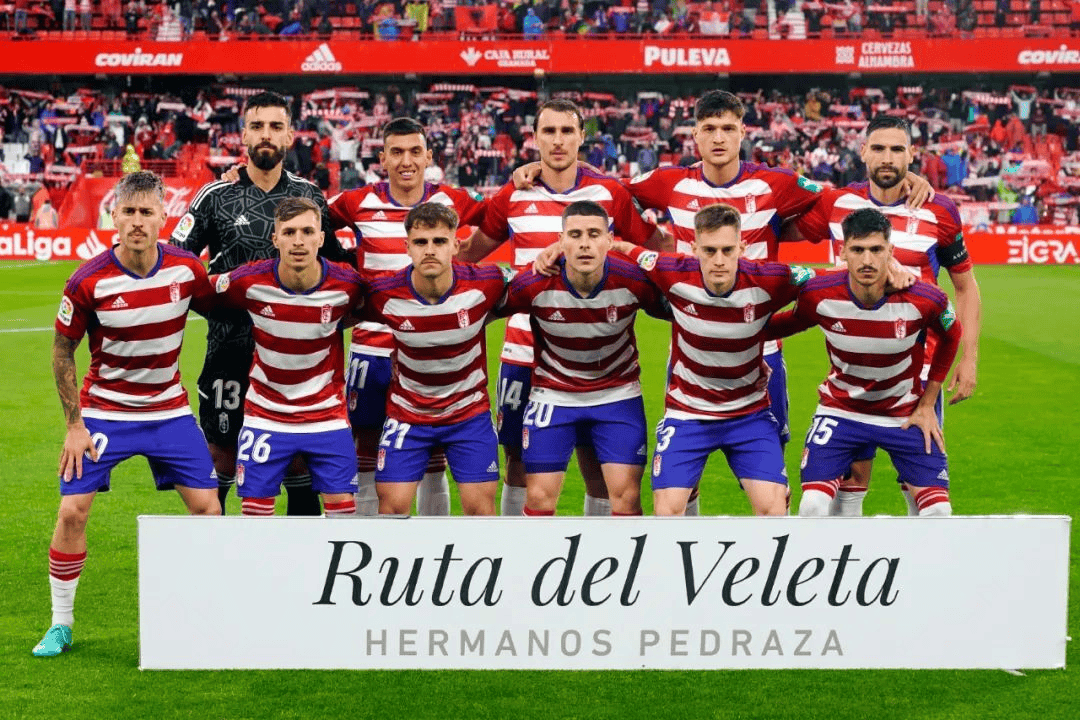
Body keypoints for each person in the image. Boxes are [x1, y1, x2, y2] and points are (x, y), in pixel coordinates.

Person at [33, 171, 220, 658]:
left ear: (163, 217)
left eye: (146, 212)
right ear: (114, 216)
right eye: (129, 212)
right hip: (104, 413)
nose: (137, 221)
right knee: (72, 511)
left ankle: (213, 612)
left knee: (209, 510)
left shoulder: (186, 270)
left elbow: (222, 305)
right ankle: (60, 623)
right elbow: (62, 350)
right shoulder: (88, 279)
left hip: (169, 411)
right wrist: (74, 426)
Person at [460, 98, 670, 518]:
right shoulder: (513, 194)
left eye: (567, 131)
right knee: (517, 463)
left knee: (598, 467)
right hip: (523, 351)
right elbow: (470, 257)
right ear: (534, 138)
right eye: (549, 131)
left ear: (581, 138)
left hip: (597, 352)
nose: (558, 141)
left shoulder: (609, 193)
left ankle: (595, 553)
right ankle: (518, 549)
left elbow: (654, 251)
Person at [171, 91, 351, 517]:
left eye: (275, 126)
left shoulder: (309, 197)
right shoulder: (215, 195)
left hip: (298, 358)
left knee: (299, 461)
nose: (265, 134)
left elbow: (339, 268)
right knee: (222, 455)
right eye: (257, 126)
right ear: (244, 135)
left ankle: (301, 556)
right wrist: (214, 304)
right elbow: (176, 263)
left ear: (289, 135)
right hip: (229, 350)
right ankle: (217, 549)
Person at [791, 115, 981, 516]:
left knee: (920, 491)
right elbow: (782, 223)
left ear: (912, 155)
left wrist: (969, 358)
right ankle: (848, 556)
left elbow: (966, 286)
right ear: (863, 152)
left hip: (919, 374)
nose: (887, 158)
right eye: (878, 148)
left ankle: (917, 556)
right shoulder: (837, 203)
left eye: (897, 150)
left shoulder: (939, 209)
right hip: (854, 368)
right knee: (849, 484)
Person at [327, 117, 486, 516]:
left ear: (429, 157)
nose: (406, 161)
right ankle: (368, 541)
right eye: (396, 152)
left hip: (433, 347)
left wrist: (468, 257)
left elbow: (499, 220)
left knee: (434, 452)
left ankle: (432, 546)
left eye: (415, 151)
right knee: (365, 447)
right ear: (382, 158)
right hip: (372, 347)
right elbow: (311, 221)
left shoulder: (454, 199)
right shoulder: (357, 201)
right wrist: (342, 267)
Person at [612, 204, 813, 516]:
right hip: (687, 413)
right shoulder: (671, 271)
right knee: (667, 512)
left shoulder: (769, 279)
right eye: (709, 250)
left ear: (742, 248)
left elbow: (826, 282)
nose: (719, 260)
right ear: (694, 249)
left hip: (749, 415)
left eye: (727, 250)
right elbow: (626, 250)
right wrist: (557, 250)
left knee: (773, 511)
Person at [769, 208, 961, 517]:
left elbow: (953, 335)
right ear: (843, 252)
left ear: (891, 252)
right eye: (858, 250)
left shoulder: (925, 299)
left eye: (876, 250)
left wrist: (928, 403)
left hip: (903, 413)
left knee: (939, 511)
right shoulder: (819, 294)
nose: (867, 260)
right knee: (812, 506)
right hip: (841, 411)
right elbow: (780, 325)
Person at [499, 201, 668, 516]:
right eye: (575, 235)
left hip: (617, 394)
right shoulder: (535, 282)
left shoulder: (633, 280)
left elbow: (683, 303)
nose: (585, 243)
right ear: (561, 241)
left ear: (609, 239)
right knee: (538, 496)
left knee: (627, 496)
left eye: (594, 234)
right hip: (553, 394)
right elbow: (483, 309)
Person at [209, 198, 364, 517]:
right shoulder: (248, 280)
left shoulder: (348, 284)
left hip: (326, 416)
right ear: (275, 239)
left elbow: (380, 307)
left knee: (343, 514)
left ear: (321, 238)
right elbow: (199, 292)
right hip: (265, 415)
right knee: (255, 515)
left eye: (307, 231)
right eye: (289, 232)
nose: (298, 241)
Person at [362, 203, 506, 516]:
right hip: (408, 414)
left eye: (439, 241)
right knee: (392, 508)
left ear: (456, 245)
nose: (429, 250)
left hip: (468, 414)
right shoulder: (382, 292)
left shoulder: (488, 282)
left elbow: (535, 286)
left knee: (481, 511)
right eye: (420, 242)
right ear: (407, 247)